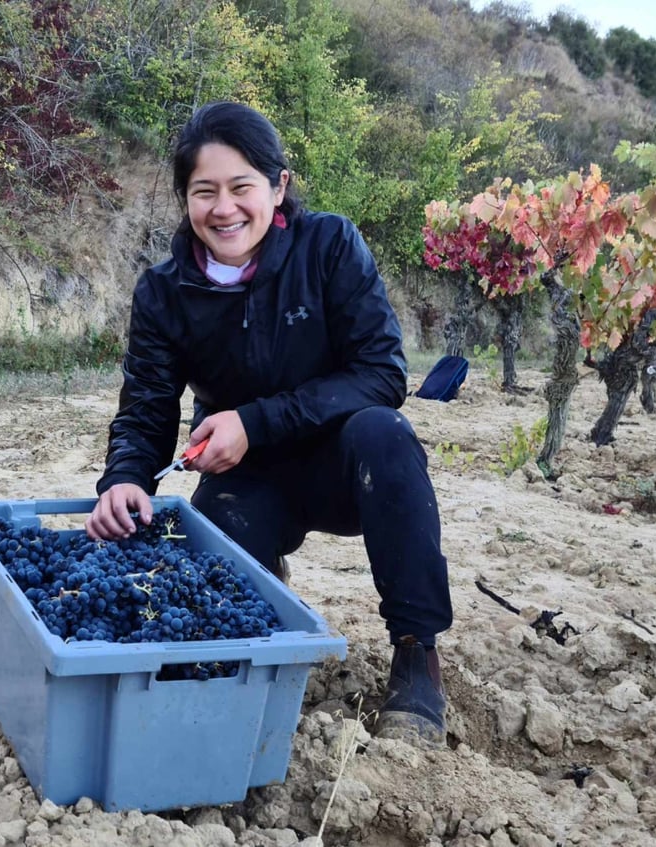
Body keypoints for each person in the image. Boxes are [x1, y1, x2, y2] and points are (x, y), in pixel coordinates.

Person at [86, 101, 453, 745]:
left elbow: (381, 373)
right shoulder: (164, 293)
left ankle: (416, 652)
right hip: (245, 479)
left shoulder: (330, 247)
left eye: (241, 187)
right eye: (204, 191)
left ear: (278, 187)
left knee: (385, 435)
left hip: (345, 466)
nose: (223, 208)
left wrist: (255, 422)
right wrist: (124, 479)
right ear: (185, 199)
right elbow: (147, 405)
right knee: (215, 561)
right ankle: (265, 583)